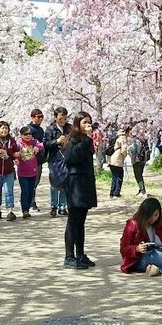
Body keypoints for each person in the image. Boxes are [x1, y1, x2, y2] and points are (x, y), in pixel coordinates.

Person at [62, 111, 98, 269]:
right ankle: (69, 257)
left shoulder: (86, 140)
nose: (88, 125)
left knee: (81, 222)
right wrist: (87, 140)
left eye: (89, 122)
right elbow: (72, 158)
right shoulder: (73, 139)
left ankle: (80, 254)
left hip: (85, 183)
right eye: (84, 122)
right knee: (73, 221)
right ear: (77, 124)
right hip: (75, 184)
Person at [44, 106, 71, 217]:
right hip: (54, 159)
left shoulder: (69, 128)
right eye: (60, 118)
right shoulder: (50, 129)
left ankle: (62, 206)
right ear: (55, 118)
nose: (63, 121)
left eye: (65, 118)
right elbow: (45, 144)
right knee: (54, 183)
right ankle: (53, 206)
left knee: (65, 182)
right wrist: (57, 141)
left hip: (66, 158)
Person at [16, 126, 44, 219]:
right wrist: (16, 156)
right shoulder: (19, 144)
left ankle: (27, 207)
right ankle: (25, 210)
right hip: (22, 172)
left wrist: (37, 147)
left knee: (31, 191)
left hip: (33, 171)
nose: (28, 136)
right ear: (21, 135)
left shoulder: (34, 142)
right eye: (26, 134)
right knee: (25, 191)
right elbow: (14, 152)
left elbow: (41, 145)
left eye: (30, 134)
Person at [28, 109, 47, 213]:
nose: (40, 119)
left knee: (36, 181)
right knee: (32, 181)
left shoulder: (40, 130)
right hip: (30, 159)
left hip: (39, 159)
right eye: (38, 117)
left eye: (41, 117)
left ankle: (32, 201)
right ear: (32, 117)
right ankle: (31, 203)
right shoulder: (29, 129)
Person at [108, 126, 132, 198]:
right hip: (118, 159)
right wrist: (125, 155)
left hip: (112, 159)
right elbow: (124, 150)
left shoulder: (117, 138)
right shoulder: (123, 139)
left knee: (114, 177)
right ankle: (116, 193)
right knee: (119, 177)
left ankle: (112, 192)